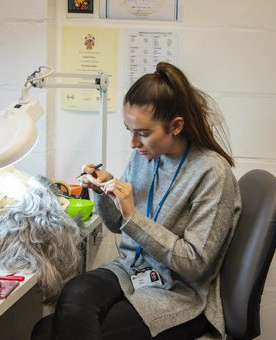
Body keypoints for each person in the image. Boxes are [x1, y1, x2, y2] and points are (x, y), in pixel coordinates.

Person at [31, 61, 241, 340]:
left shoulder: (212, 173)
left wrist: (133, 215)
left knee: (49, 333)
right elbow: (118, 225)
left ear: (175, 126)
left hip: (179, 294)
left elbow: (195, 263)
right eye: (130, 131)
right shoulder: (144, 156)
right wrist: (102, 191)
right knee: (73, 295)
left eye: (143, 133)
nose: (133, 143)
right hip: (130, 271)